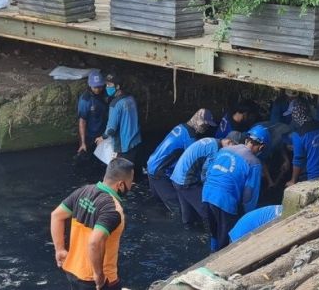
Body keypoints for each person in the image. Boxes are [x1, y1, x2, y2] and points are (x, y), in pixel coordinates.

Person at [50, 158, 135, 290]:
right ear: (120, 185)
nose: (131, 185)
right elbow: (95, 242)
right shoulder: (113, 209)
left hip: (72, 270)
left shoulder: (83, 191)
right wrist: (98, 275)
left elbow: (56, 216)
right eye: (130, 182)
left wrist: (60, 250)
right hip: (97, 280)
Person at [202, 125, 269, 251]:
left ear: (246, 140)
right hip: (225, 201)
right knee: (225, 241)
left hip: (206, 194)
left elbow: (207, 170)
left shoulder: (224, 150)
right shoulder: (254, 162)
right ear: (262, 147)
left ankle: (211, 255)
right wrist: (248, 217)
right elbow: (249, 195)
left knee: (214, 234)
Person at [147, 109, 218, 213]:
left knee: (159, 205)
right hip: (159, 171)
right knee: (177, 208)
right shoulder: (190, 138)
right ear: (198, 121)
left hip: (151, 163)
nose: (206, 128)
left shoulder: (181, 127)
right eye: (205, 125)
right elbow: (191, 164)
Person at [170, 131, 244, 225]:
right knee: (207, 212)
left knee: (188, 215)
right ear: (229, 142)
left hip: (177, 176)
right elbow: (205, 174)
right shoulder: (215, 150)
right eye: (235, 148)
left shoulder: (212, 141)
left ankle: (189, 228)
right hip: (186, 180)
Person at [282, 100, 319, 186]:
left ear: (296, 115)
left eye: (292, 115)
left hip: (314, 176)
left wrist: (293, 180)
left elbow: (298, 160)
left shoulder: (298, 135)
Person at [95, 73, 141, 164]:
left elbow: (111, 129)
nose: (107, 87)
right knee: (133, 169)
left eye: (109, 85)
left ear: (117, 86)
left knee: (121, 172)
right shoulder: (131, 99)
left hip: (123, 146)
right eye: (106, 84)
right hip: (136, 141)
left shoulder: (115, 104)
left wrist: (102, 137)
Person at [77, 70, 108, 157]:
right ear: (90, 85)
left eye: (99, 87)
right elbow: (82, 121)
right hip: (90, 135)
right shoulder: (85, 100)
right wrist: (83, 142)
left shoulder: (106, 93)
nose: (98, 89)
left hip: (103, 133)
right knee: (86, 155)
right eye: (95, 87)